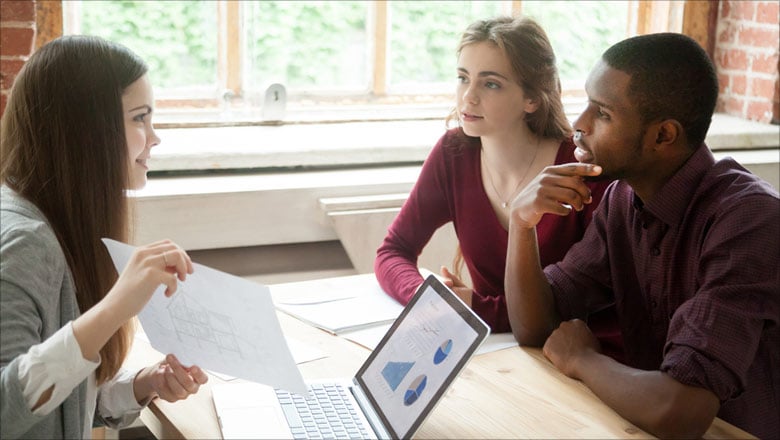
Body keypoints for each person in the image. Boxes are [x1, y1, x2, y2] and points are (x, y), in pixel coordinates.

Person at [505, 32, 779, 439]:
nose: (579, 125)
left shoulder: (749, 220)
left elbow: (681, 411)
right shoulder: (622, 198)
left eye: (603, 113)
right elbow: (535, 327)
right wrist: (521, 223)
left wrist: (582, 359)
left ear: (662, 136)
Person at [374, 16, 621, 356]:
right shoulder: (453, 154)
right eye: (463, 78)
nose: (468, 97)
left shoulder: (583, 172)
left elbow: (578, 307)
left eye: (490, 84)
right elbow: (393, 250)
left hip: (569, 357)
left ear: (532, 98)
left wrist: (473, 307)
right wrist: (426, 298)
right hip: (492, 350)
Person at [1, 35, 208, 439]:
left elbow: (53, 403)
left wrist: (144, 384)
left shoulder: (51, 222)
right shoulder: (24, 244)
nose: (154, 136)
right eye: (139, 118)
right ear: (86, 130)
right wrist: (115, 307)